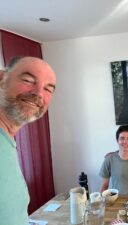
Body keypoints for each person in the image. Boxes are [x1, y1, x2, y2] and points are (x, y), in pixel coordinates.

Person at [0, 56, 56, 225]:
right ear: (2, 80)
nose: (38, 93)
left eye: (48, 89)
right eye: (28, 80)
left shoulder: (7, 143)